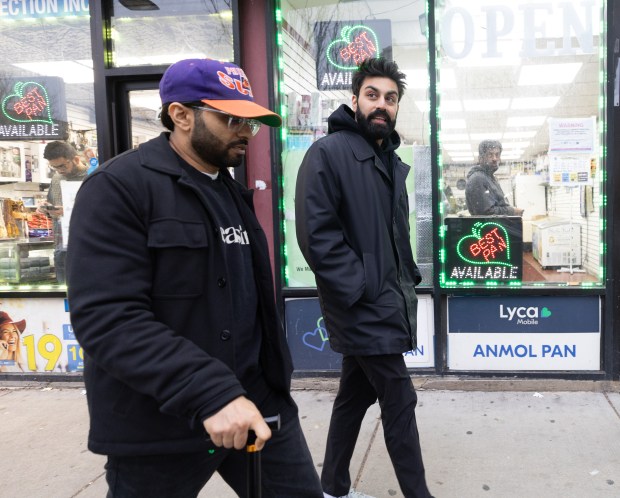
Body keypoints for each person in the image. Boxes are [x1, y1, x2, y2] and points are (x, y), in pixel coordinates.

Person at [66, 58, 322, 498]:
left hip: (254, 406)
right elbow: (109, 319)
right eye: (230, 118)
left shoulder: (228, 191)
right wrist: (212, 394)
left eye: (251, 122)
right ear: (181, 115)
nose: (245, 131)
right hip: (160, 426)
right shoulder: (118, 188)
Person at [295, 58, 433, 498]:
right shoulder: (328, 154)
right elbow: (316, 236)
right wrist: (363, 286)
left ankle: (332, 487)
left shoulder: (388, 160)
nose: (382, 105)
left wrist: (406, 276)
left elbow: (395, 232)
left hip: (384, 298)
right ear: (354, 100)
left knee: (354, 398)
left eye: (390, 98)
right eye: (372, 95)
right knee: (400, 399)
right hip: (361, 304)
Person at [41, 141, 88, 284]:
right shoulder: (56, 179)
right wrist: (47, 209)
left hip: (87, 247)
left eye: (62, 165)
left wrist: (69, 211)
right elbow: (52, 205)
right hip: (61, 247)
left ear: (76, 159)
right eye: (54, 167)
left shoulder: (93, 176)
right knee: (63, 296)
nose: (59, 170)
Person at [465, 140, 524, 216]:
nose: (494, 159)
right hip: (488, 227)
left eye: (497, 155)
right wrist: (512, 211)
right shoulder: (478, 179)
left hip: (496, 226)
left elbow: (496, 206)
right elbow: (486, 212)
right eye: (490, 155)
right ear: (480, 159)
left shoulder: (489, 178)